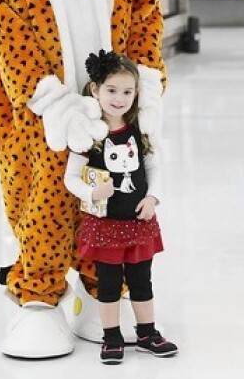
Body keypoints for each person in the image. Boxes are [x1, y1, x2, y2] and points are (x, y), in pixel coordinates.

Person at [64, 50, 178, 364]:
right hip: (105, 225)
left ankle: (147, 333)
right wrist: (92, 192)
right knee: (109, 284)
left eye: (127, 92)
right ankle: (111, 336)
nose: (119, 98)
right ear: (95, 90)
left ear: (136, 93)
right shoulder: (88, 135)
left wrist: (153, 197)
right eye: (112, 90)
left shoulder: (139, 128)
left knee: (142, 281)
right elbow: (70, 178)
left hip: (139, 222)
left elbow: (154, 166)